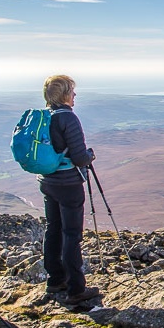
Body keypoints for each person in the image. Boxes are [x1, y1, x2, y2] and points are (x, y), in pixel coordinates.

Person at [39, 74, 100, 305]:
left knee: (53, 229)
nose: (75, 96)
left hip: (47, 181)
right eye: (72, 92)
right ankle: (76, 289)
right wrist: (89, 156)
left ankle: (55, 280)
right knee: (72, 235)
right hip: (68, 184)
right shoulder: (69, 119)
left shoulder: (46, 117)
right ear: (64, 94)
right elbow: (78, 157)